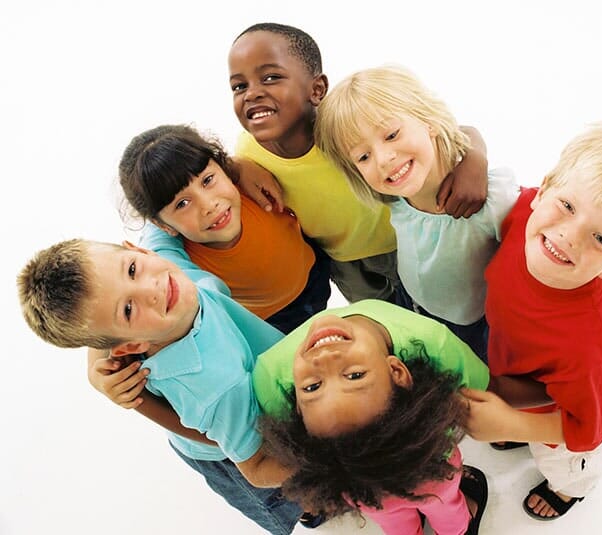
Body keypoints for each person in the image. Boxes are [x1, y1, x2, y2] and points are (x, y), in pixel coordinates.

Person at [462, 121, 602, 520]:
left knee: (566, 466)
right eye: (567, 206)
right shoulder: (522, 216)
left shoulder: (585, 347)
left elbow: (588, 429)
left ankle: (569, 491)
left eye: (600, 240)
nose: (568, 236)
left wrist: (512, 422)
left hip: (569, 418)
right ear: (543, 189)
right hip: (521, 370)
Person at [18, 239, 302, 534]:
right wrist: (332, 466)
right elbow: (256, 466)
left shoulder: (163, 267)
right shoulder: (214, 388)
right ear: (131, 345)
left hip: (223, 409)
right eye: (128, 309)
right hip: (227, 449)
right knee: (288, 500)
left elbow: (155, 228)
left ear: (138, 250)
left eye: (131, 269)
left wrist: (94, 370)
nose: (150, 290)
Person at [227, 22, 491, 304]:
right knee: (387, 327)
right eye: (239, 86)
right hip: (345, 262)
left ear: (317, 90)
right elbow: (217, 170)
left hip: (405, 240)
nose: (251, 93)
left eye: (270, 78)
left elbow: (454, 129)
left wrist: (475, 160)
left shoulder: (343, 125)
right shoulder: (247, 152)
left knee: (437, 309)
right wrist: (236, 166)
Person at [315, 64, 520, 362]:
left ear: (428, 122)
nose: (384, 159)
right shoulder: (395, 199)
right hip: (413, 306)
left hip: (473, 326)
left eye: (392, 135)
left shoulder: (490, 199)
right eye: (363, 156)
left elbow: (542, 233)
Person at [252, 299, 491, 535]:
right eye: (355, 376)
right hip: (432, 467)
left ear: (297, 411)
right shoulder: (434, 341)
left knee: (393, 522)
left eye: (313, 387)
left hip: (360, 490)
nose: (323, 357)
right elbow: (480, 391)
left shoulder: (268, 376)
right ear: (397, 371)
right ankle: (458, 529)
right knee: (446, 507)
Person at [118, 123, 330, 335]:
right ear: (163, 225)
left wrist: (238, 167)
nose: (209, 205)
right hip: (276, 320)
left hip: (317, 268)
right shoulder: (184, 263)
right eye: (182, 204)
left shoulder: (249, 184)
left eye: (208, 180)